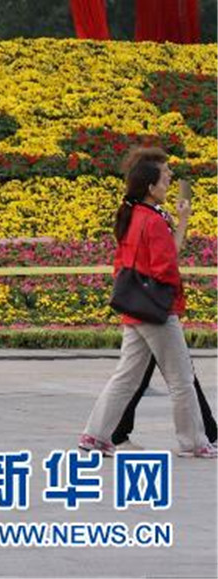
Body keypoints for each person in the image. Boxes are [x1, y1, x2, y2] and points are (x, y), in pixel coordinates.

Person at [80, 146, 216, 459]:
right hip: (157, 311)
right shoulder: (153, 222)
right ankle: (194, 441)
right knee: (181, 379)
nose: (169, 180)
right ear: (151, 187)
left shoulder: (133, 214)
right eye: (165, 178)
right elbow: (167, 266)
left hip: (134, 307)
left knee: (126, 377)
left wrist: (181, 220)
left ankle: (95, 436)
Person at [111, 351, 217, 447]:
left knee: (135, 375)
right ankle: (113, 434)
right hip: (160, 329)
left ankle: (110, 433)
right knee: (182, 374)